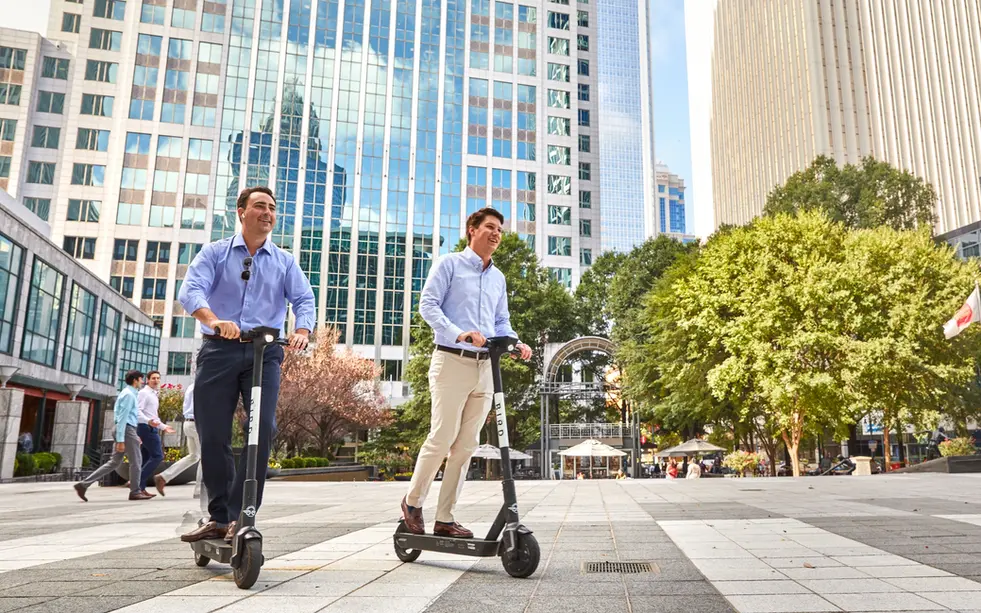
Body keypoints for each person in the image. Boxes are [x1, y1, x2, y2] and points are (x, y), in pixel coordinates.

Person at [178, 186, 314, 544]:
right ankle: (219, 517)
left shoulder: (284, 261)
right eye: (259, 206)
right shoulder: (215, 253)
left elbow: (303, 298)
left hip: (264, 353)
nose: (267, 213)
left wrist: (301, 330)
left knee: (263, 428)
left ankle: (242, 515)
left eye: (272, 207)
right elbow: (191, 292)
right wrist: (213, 319)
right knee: (213, 434)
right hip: (219, 350)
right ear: (241, 212)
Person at [400, 207, 532, 539]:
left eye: (500, 229)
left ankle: (445, 518)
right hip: (452, 360)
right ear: (471, 230)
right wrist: (460, 332)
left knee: (467, 445)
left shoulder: (498, 277)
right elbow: (427, 305)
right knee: (442, 436)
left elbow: (501, 320)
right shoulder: (449, 265)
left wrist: (515, 341)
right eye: (489, 227)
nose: (496, 234)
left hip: (486, 367)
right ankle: (413, 503)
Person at [74, 370, 152, 501]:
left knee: (114, 462)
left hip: (126, 430)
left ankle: (83, 484)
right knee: (136, 462)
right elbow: (123, 418)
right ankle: (135, 491)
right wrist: (122, 439)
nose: (142, 382)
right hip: (126, 429)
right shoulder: (129, 395)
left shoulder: (127, 393)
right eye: (141, 379)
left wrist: (131, 435)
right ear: (135, 380)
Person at [154, 382, 206, 512]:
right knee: (205, 457)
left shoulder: (191, 386)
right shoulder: (201, 386)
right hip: (197, 424)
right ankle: (200, 490)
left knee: (194, 456)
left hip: (188, 423)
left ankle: (164, 476)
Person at [137, 371, 174, 498]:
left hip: (150, 426)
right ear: (148, 380)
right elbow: (138, 411)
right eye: (153, 378)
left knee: (146, 458)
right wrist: (148, 421)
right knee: (158, 456)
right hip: (145, 427)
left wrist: (163, 427)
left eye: (158, 378)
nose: (156, 380)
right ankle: (136, 484)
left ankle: (140, 489)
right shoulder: (144, 393)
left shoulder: (153, 394)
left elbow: (153, 415)